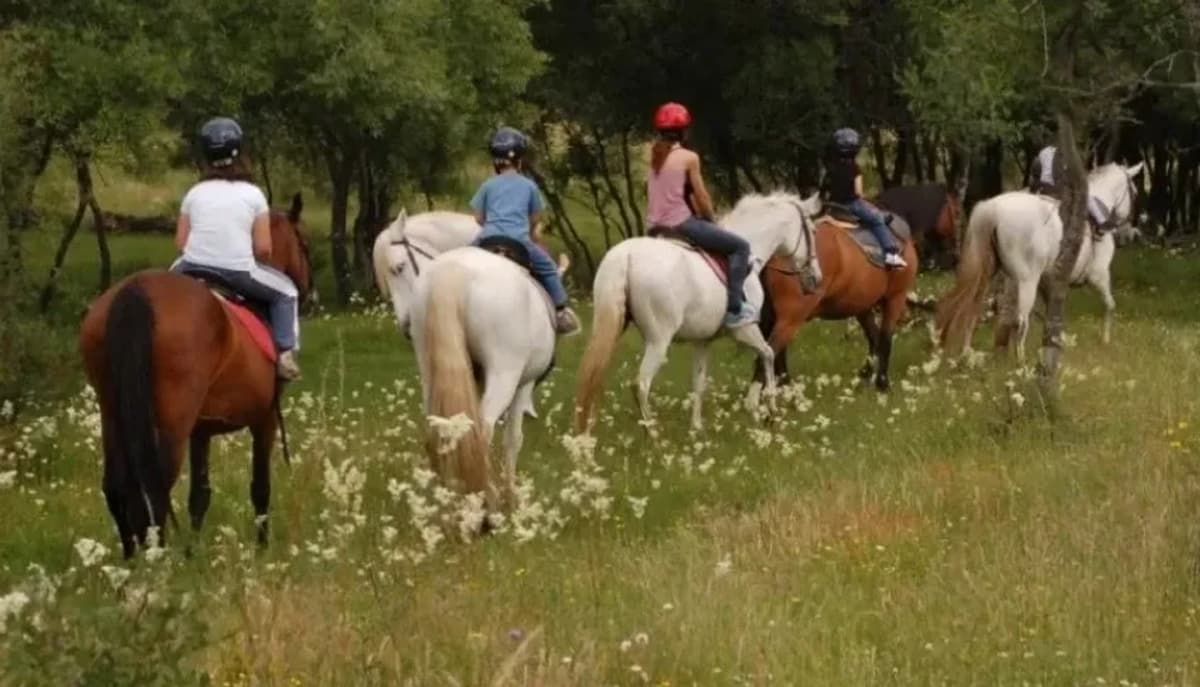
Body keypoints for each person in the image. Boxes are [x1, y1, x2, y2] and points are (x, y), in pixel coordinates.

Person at [172, 117, 302, 380]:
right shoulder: (253, 194)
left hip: (190, 267)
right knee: (287, 292)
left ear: (206, 155)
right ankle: (285, 355)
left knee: (165, 285)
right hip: (236, 272)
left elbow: (181, 243)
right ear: (239, 152)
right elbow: (264, 249)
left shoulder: (194, 193)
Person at [645, 102, 756, 329]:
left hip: (653, 227)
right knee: (740, 247)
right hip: (681, 224)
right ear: (684, 130)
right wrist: (711, 219)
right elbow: (702, 197)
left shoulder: (654, 155)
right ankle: (735, 308)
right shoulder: (689, 157)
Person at [470, 126, 580, 335]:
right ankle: (561, 311)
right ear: (519, 160)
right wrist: (525, 230)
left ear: (496, 161)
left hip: (487, 240)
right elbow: (535, 218)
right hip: (519, 242)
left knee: (461, 258)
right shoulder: (529, 186)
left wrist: (492, 226)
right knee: (547, 267)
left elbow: (478, 217)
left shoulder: (488, 185)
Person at [824, 128, 907, 269]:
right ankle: (891, 254)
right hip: (852, 205)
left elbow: (826, 188)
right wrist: (865, 198)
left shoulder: (831, 168)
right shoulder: (855, 168)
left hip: (834, 206)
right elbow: (858, 192)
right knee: (877, 220)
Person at [1029, 143, 1112, 232]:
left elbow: (1036, 175)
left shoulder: (1040, 156)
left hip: (1041, 189)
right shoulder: (1063, 154)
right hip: (1056, 189)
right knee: (1087, 198)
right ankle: (1101, 222)